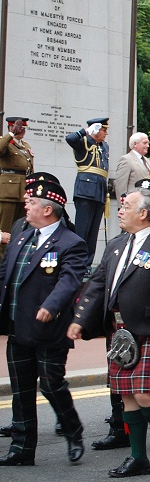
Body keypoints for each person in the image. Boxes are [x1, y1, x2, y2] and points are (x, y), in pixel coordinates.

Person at [68, 187, 150, 477]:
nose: (119, 210)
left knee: (145, 394)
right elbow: (97, 285)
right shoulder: (117, 245)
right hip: (120, 332)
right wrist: (79, 319)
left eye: (126, 206)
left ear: (143, 214)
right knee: (127, 396)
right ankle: (138, 458)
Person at [0, 179, 86, 466]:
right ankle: (21, 449)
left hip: (48, 328)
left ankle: (73, 429)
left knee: (51, 386)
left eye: (32, 203)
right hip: (17, 326)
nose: (27, 205)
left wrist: (51, 305)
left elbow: (69, 280)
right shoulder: (22, 235)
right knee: (21, 390)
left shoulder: (71, 242)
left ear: (48, 210)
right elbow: (5, 275)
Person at [66, 117, 109, 272]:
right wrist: (84, 131)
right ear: (95, 130)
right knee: (82, 229)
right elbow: (69, 139)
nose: (106, 133)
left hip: (99, 190)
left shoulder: (104, 146)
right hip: (85, 189)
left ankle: (87, 264)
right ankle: (77, 261)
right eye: (103, 130)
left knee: (93, 231)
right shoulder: (83, 142)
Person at [0, 117, 34, 254]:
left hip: (23, 191)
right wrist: (11, 134)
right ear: (12, 127)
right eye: (20, 128)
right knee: (5, 229)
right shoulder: (6, 142)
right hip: (9, 192)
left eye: (24, 128)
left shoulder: (25, 146)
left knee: (20, 228)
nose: (23, 131)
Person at [115, 132, 150, 199]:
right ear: (135, 144)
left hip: (147, 201)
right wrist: (122, 205)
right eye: (145, 143)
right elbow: (121, 186)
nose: (148, 146)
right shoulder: (126, 159)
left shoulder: (147, 161)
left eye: (148, 143)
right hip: (133, 201)